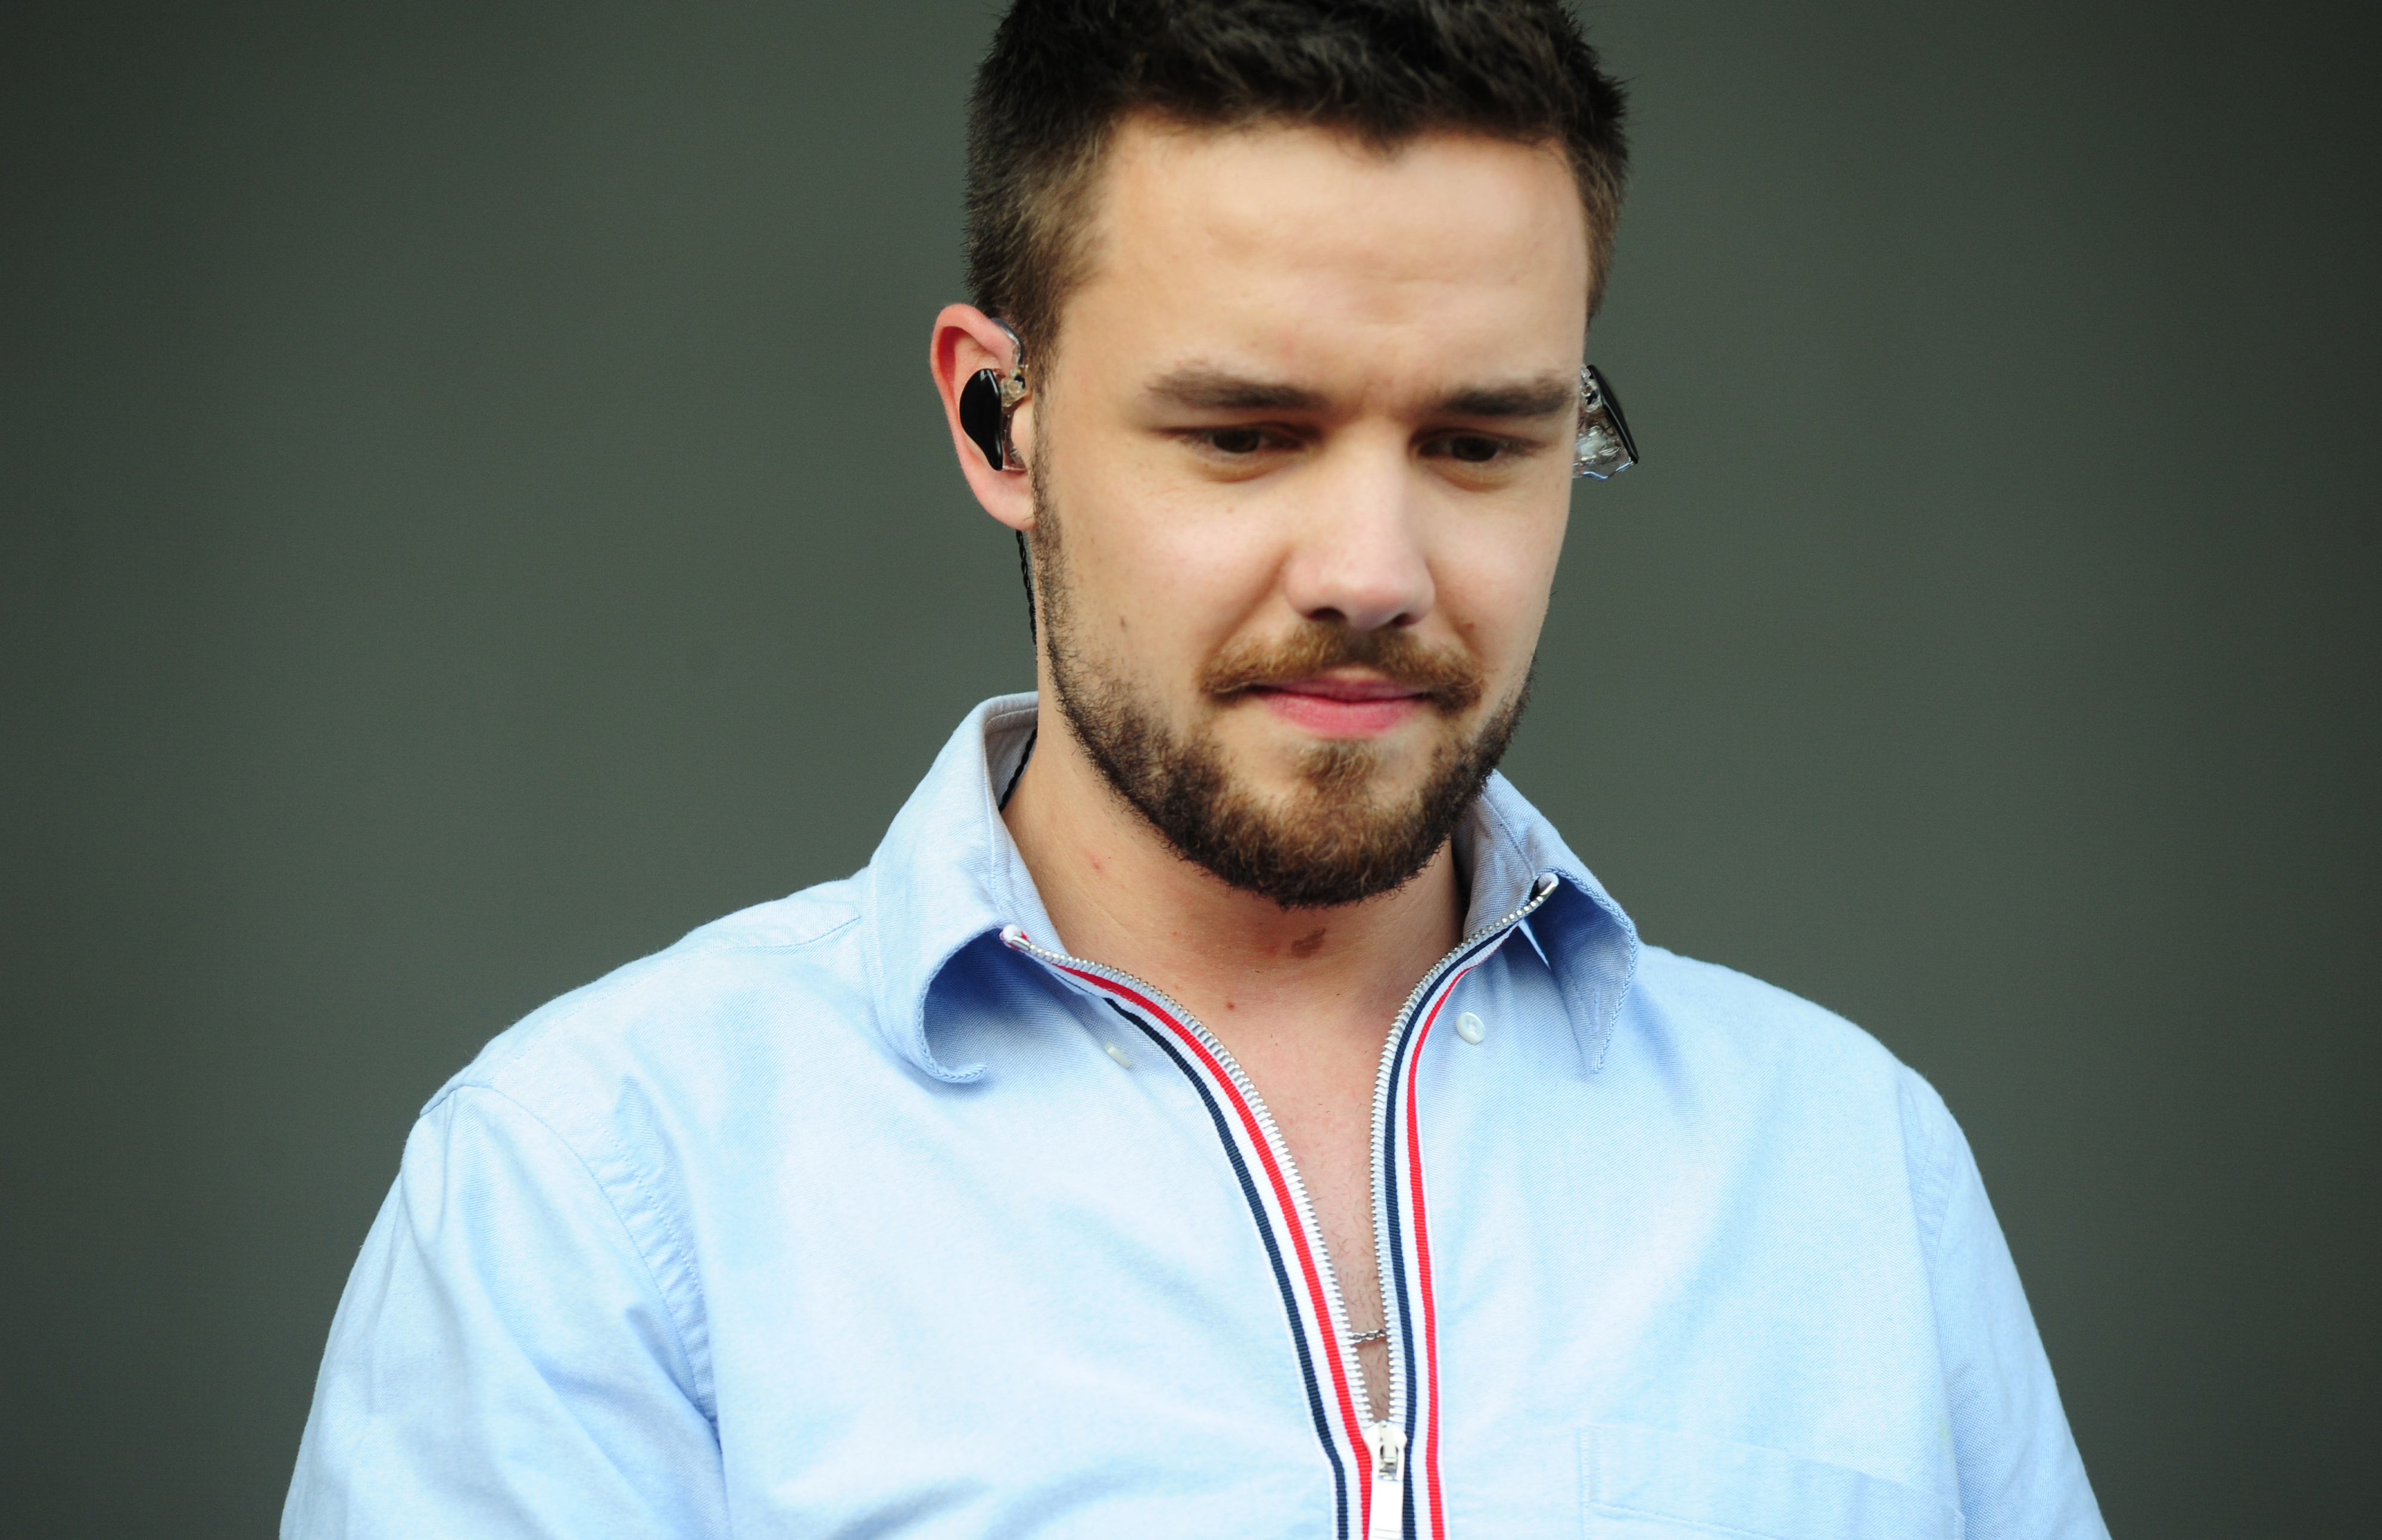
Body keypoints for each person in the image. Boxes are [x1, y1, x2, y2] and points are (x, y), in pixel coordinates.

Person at [283, 2, 2106, 1536]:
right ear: (999, 418)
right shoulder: (595, 1196)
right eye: (1246, 433)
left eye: (1480, 441)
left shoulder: (1856, 1169)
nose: (1374, 572)